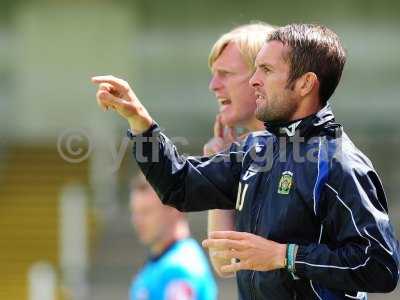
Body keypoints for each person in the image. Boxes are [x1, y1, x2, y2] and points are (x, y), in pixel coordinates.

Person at [92, 23, 400, 299]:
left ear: (305, 84)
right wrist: (140, 123)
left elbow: (381, 266)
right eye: (254, 70)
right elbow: (178, 185)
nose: (255, 80)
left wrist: (285, 256)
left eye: (266, 70)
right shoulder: (257, 149)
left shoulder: (338, 163)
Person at [204, 23, 275, 278]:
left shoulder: (302, 149)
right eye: (214, 74)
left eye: (226, 74)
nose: (213, 85)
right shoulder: (245, 156)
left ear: (262, 76)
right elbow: (225, 262)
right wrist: (220, 168)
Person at [129, 173, 217, 300]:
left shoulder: (180, 268)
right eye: (135, 212)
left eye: (146, 212)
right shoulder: (161, 262)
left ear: (175, 208)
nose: (137, 220)